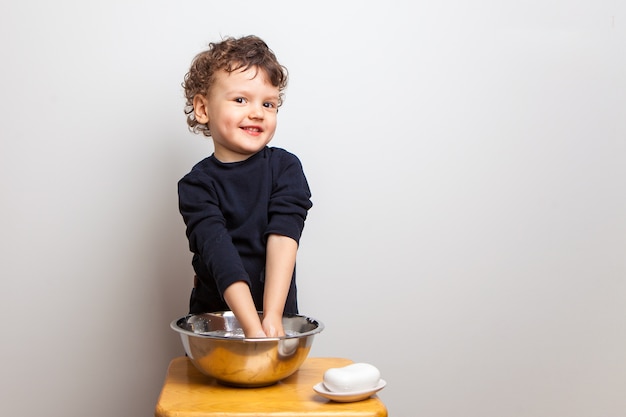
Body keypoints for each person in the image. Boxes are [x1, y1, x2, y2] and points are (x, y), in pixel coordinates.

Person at [178, 35, 312, 338]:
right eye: (240, 100)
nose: (257, 112)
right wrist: (250, 328)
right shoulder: (196, 186)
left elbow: (283, 239)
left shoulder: (286, 169)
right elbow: (219, 253)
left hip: (275, 319)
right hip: (216, 323)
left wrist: (272, 318)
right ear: (202, 108)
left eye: (268, 103)